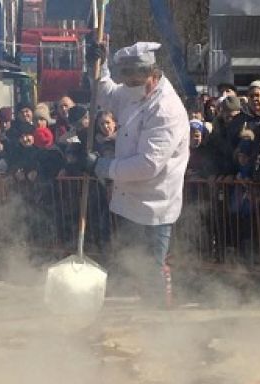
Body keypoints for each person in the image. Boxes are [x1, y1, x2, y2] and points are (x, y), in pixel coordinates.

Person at [83, 40, 190, 306]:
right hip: (129, 198)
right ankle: (144, 320)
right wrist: (98, 65)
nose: (128, 86)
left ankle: (158, 328)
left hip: (156, 204)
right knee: (134, 265)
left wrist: (101, 166)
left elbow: (147, 165)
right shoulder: (134, 92)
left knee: (151, 270)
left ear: (151, 76)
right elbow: (107, 94)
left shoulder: (166, 109)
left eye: (133, 80)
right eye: (126, 79)